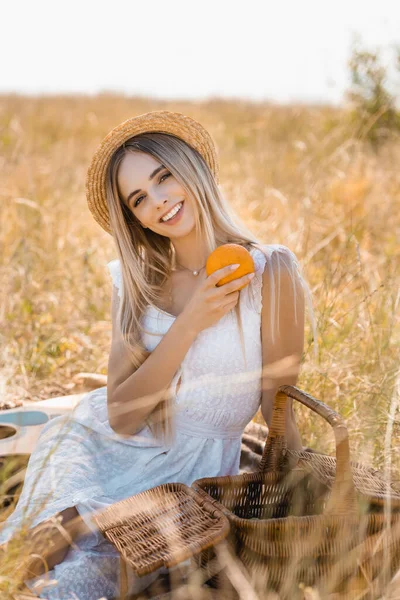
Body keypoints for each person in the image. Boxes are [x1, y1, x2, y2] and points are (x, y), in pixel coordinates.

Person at [0, 110, 315, 599]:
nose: (159, 201)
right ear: (134, 217)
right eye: (139, 199)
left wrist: (300, 488)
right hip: (98, 449)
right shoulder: (137, 284)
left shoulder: (270, 272)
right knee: (28, 551)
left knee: (70, 585)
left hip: (190, 478)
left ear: (192, 168)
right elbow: (123, 418)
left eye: (163, 176)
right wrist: (190, 324)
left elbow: (279, 402)